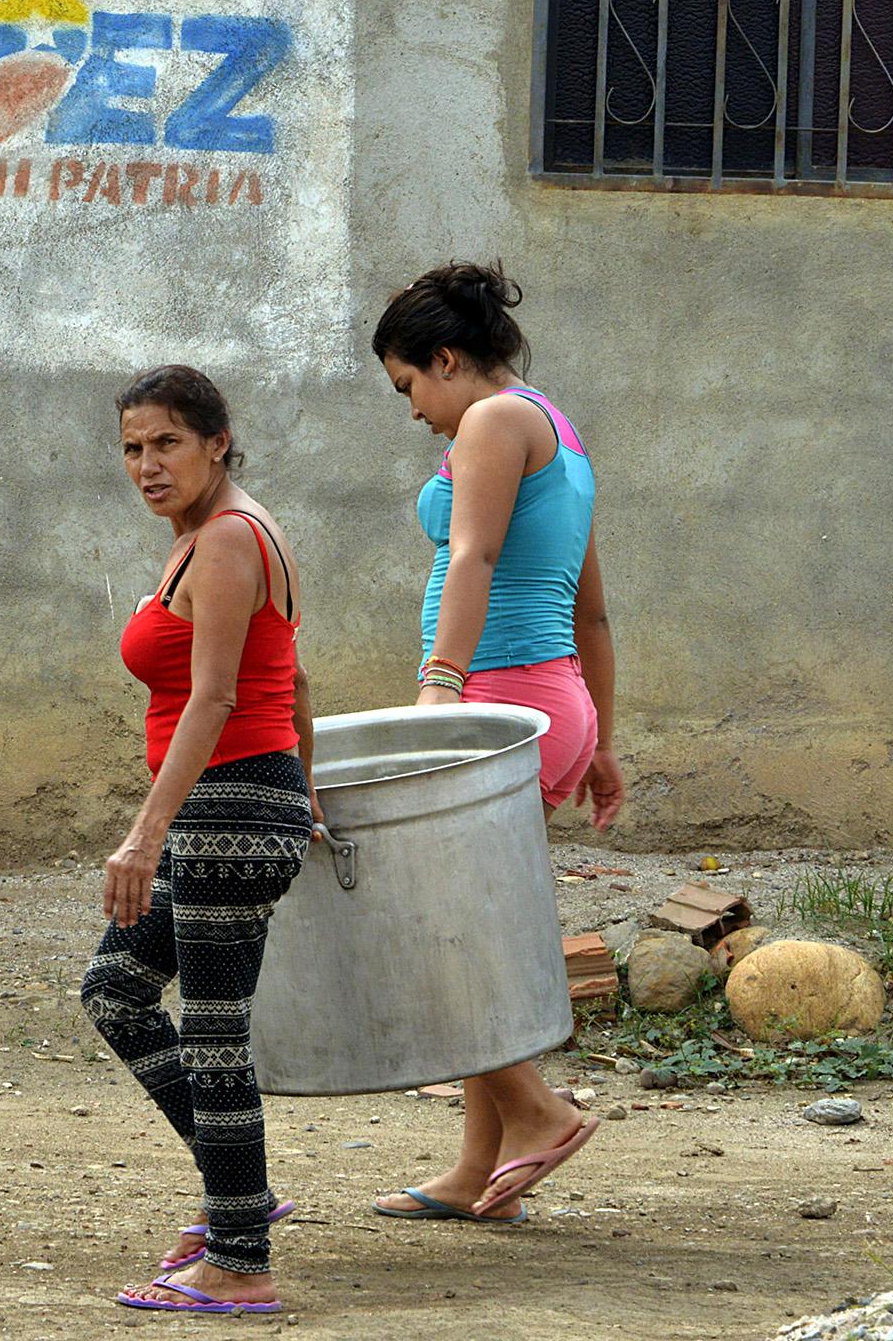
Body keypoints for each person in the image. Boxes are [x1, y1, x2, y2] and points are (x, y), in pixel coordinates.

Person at [367, 260, 626, 1224]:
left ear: (445, 358)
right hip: (549, 701)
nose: (414, 411)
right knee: (470, 924)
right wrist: (598, 737)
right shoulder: (555, 428)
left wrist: (441, 689)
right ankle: (480, 1168)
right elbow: (591, 610)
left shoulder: (490, 421)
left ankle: (539, 1114)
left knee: (440, 934)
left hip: (493, 700)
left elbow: (470, 555)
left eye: (409, 386)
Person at [82, 365, 317, 1315]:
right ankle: (241, 1197)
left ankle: (239, 1261)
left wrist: (146, 835)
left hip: (225, 809)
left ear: (218, 441)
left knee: (215, 1037)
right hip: (242, 805)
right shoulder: (208, 539)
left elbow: (219, 698)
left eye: (167, 443)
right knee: (117, 990)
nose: (147, 464)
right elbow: (297, 683)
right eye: (133, 447)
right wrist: (309, 796)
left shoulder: (226, 540)